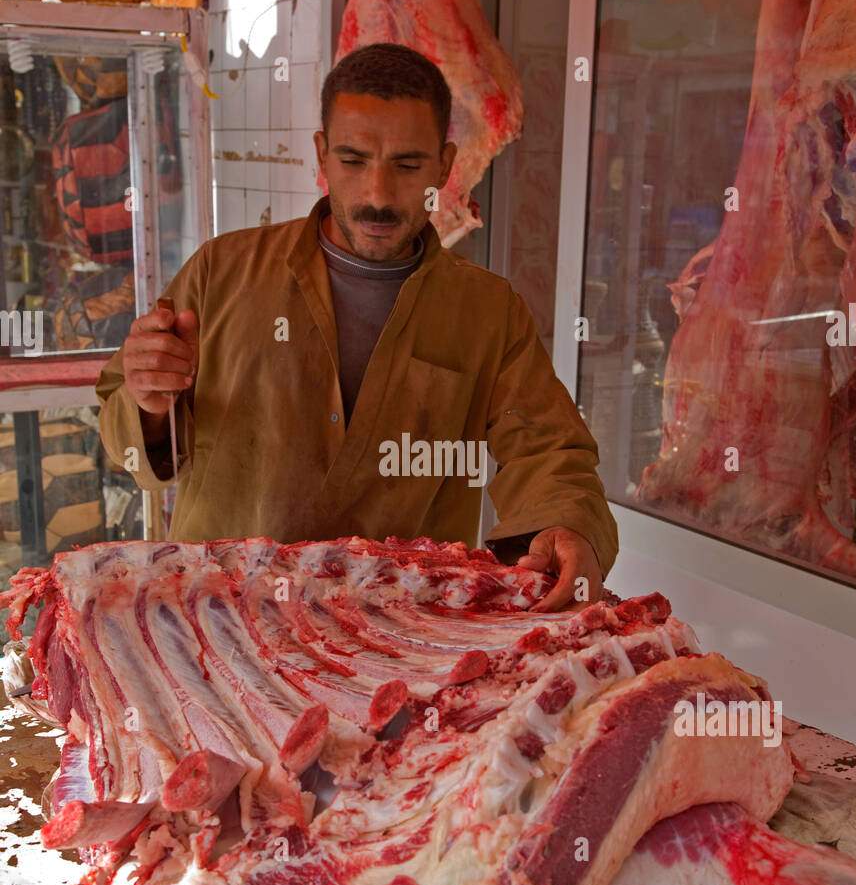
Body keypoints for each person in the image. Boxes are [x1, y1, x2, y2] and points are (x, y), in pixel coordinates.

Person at [96, 43, 618, 610]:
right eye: (353, 160)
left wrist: (570, 523)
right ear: (321, 155)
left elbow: (547, 448)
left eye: (408, 165)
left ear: (445, 166)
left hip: (399, 642)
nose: (378, 195)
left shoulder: (488, 311)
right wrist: (149, 403)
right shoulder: (222, 273)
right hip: (226, 625)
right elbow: (126, 435)